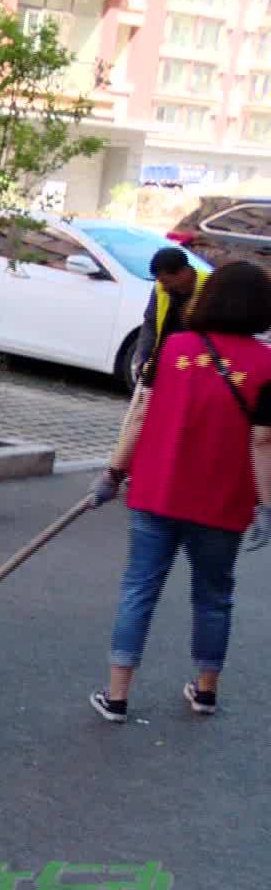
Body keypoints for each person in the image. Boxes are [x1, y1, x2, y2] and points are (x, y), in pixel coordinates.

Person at [85, 261, 271, 722]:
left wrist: (113, 472)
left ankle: (117, 697)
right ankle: (205, 692)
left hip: (158, 492)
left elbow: (140, 414)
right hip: (223, 500)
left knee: (139, 590)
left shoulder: (173, 348)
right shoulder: (267, 365)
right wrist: (268, 505)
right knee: (213, 594)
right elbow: (263, 441)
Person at [130, 247, 206, 392]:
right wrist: (142, 359)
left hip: (191, 370)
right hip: (162, 364)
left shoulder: (210, 287)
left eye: (166, 281)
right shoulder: (160, 287)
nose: (163, 287)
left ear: (184, 272)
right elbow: (150, 324)